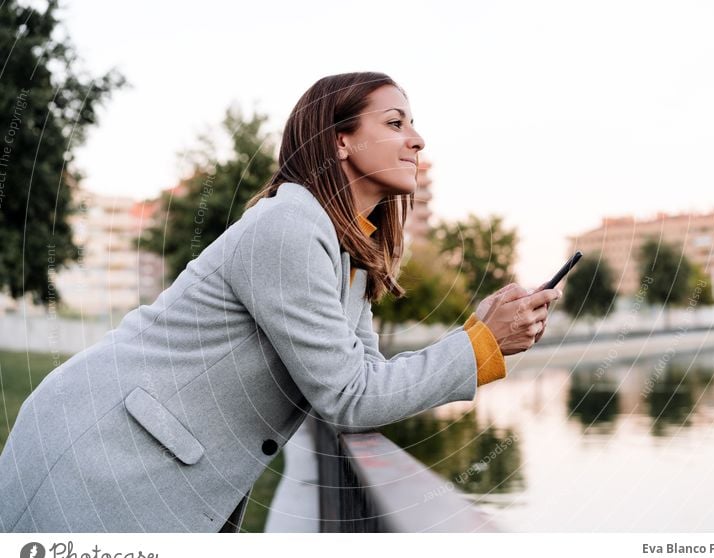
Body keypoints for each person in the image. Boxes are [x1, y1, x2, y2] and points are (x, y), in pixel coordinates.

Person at [0, 72, 560, 533]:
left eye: (412, 124)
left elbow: (365, 380)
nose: (417, 139)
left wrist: (479, 330)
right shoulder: (290, 226)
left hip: (139, 465)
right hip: (98, 455)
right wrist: (479, 345)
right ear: (340, 140)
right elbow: (349, 398)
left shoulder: (345, 251)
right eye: (395, 123)